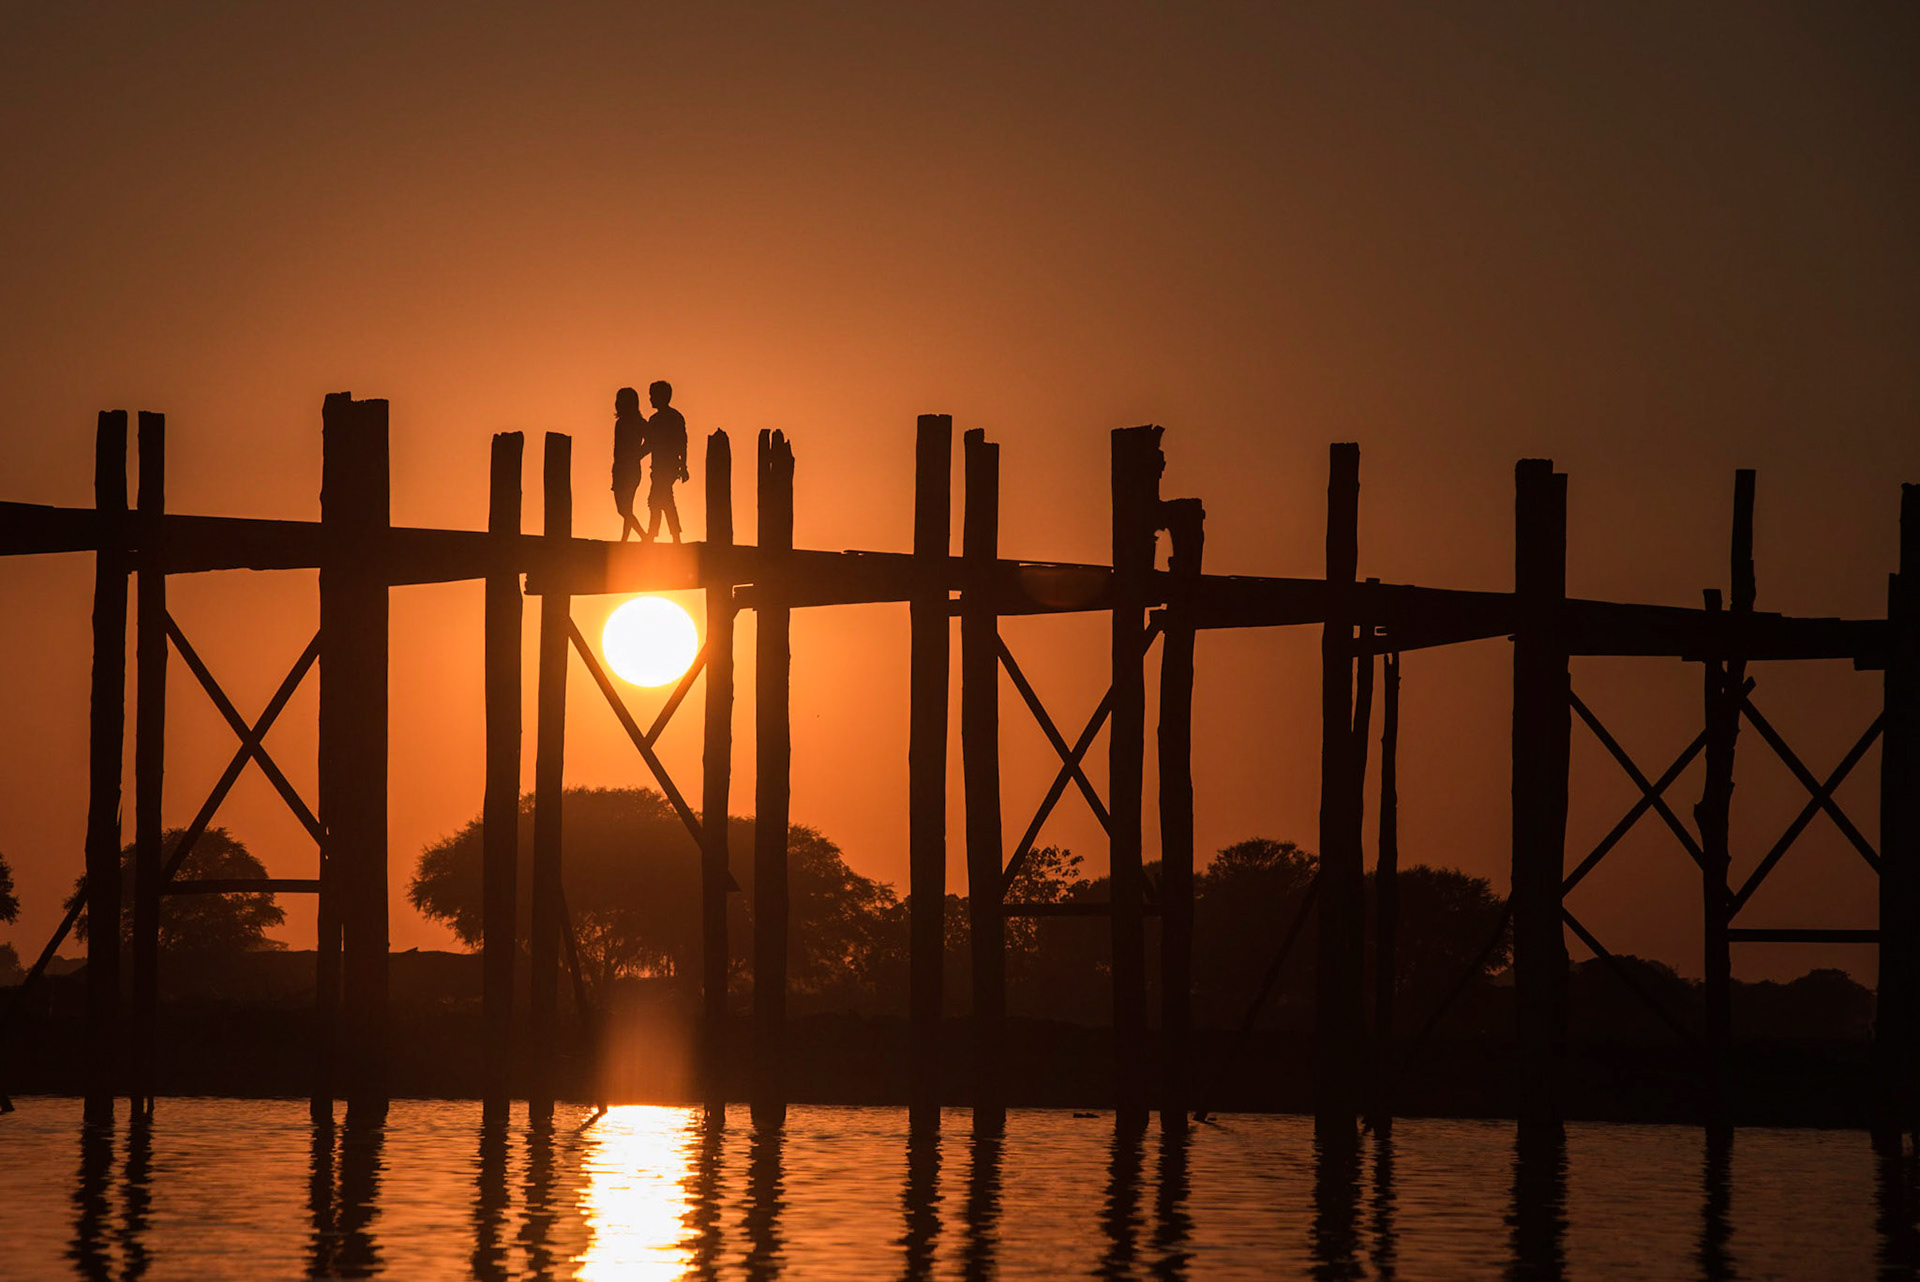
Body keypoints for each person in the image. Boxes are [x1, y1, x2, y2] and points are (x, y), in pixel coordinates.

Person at [643, 380, 688, 544]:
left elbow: (681, 443)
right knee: (661, 499)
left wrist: (683, 466)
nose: (650, 399)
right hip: (661, 467)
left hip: (667, 468)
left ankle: (655, 535)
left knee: (659, 499)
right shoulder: (659, 419)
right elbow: (650, 445)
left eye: (652, 395)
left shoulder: (669, 418)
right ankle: (670, 536)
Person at [611, 386, 650, 542]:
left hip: (631, 469)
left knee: (624, 508)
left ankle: (643, 536)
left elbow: (651, 441)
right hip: (620, 468)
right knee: (625, 507)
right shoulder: (620, 423)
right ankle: (625, 539)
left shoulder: (638, 422)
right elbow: (617, 449)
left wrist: (637, 455)